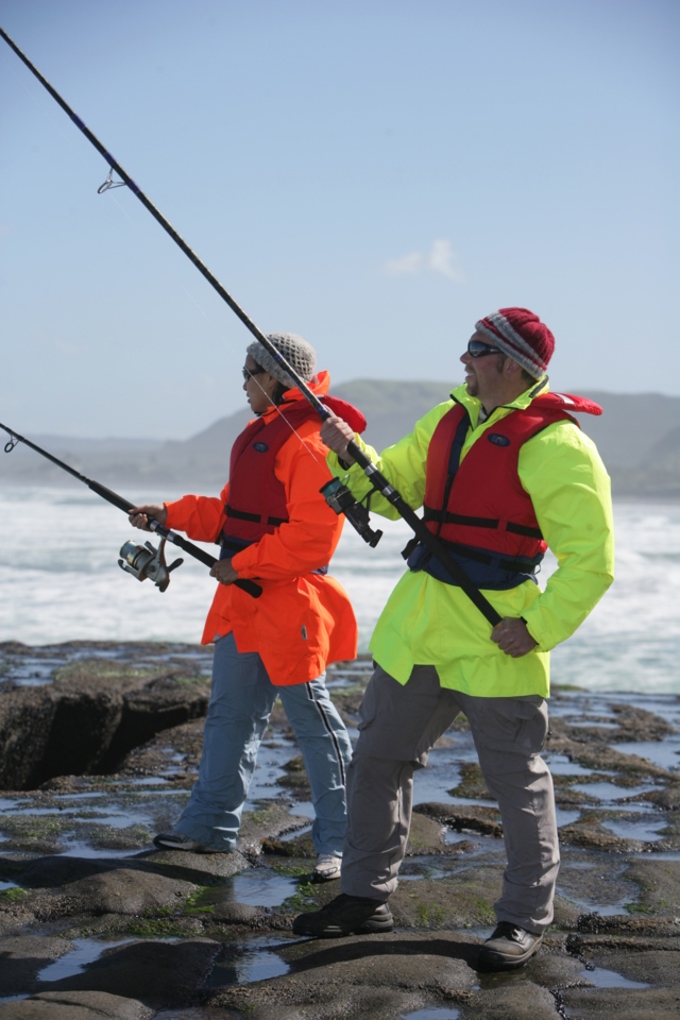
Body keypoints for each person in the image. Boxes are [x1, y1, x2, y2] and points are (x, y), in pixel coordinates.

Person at [292, 308, 615, 965]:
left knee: (517, 786)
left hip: (499, 643)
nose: (462, 360)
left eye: (475, 350)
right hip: (419, 630)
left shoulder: (560, 445)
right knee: (377, 763)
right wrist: (352, 456)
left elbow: (593, 561)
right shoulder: (446, 421)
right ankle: (365, 897)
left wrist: (538, 629)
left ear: (510, 364)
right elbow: (388, 492)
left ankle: (523, 921)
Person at [129, 332, 366, 882]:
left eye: (249, 372)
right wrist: (168, 514)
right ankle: (210, 828)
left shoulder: (308, 443)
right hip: (243, 604)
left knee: (316, 726)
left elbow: (313, 541)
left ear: (277, 377)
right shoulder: (264, 436)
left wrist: (242, 564)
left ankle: (343, 844)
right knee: (231, 718)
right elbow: (229, 514)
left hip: (289, 607)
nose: (241, 382)